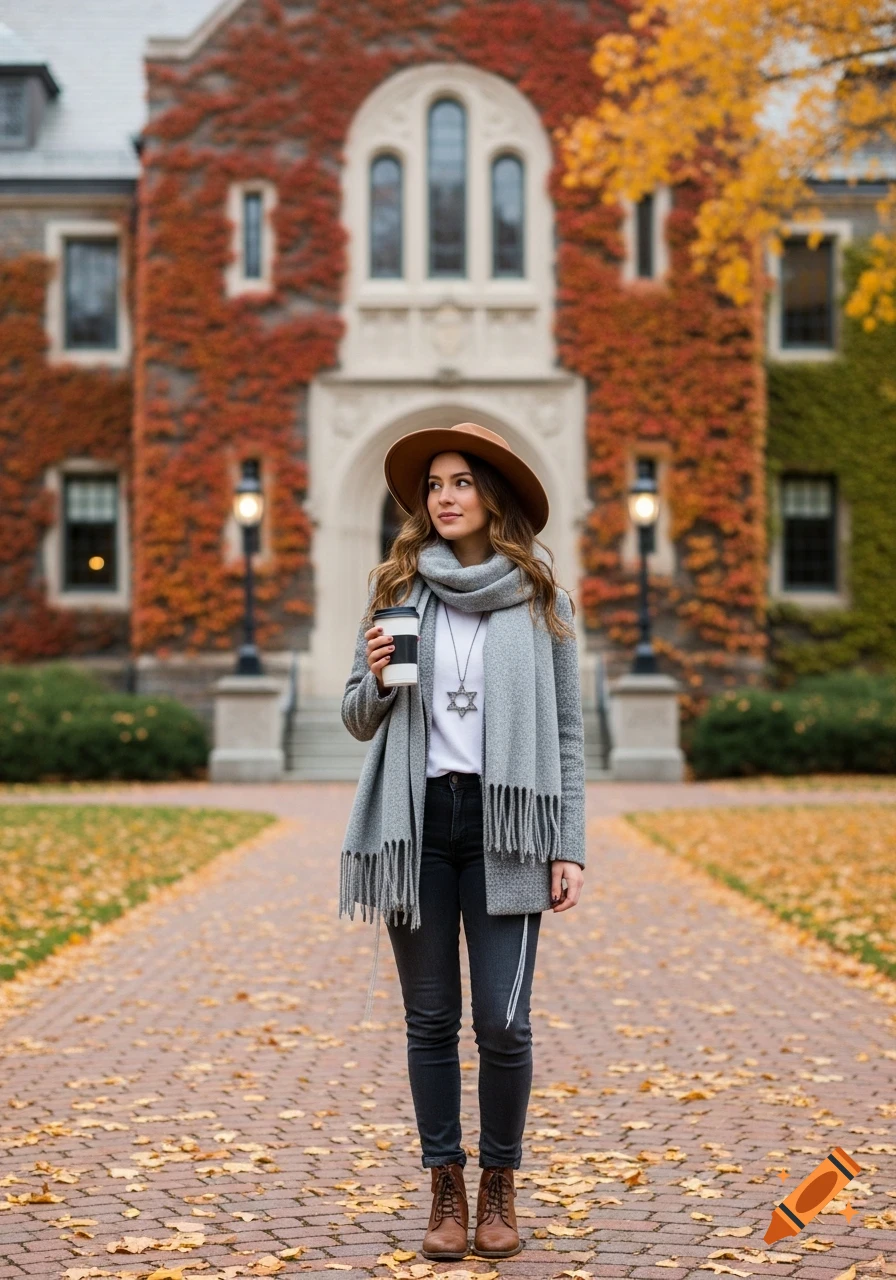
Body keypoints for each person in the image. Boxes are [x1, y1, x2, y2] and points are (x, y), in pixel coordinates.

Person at [338, 421, 586, 1260]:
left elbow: (566, 733)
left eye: (460, 483)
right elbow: (355, 717)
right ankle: (445, 1191)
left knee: (505, 1025)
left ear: (493, 498)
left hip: (507, 827)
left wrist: (569, 844)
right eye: (434, 485)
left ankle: (499, 1191)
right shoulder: (399, 593)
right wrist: (372, 680)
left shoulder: (541, 602)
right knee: (431, 1019)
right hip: (418, 823)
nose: (443, 497)